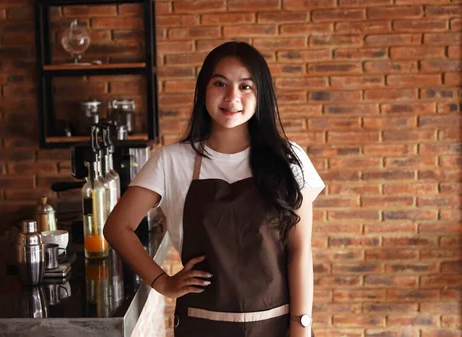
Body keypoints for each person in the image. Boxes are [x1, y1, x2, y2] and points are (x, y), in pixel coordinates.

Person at [103, 41, 325, 337]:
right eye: (220, 83)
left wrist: (301, 327)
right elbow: (118, 227)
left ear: (261, 96)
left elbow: (299, 251)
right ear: (203, 90)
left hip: (275, 325)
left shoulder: (289, 159)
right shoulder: (172, 161)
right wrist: (162, 282)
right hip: (201, 325)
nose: (232, 97)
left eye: (246, 86)